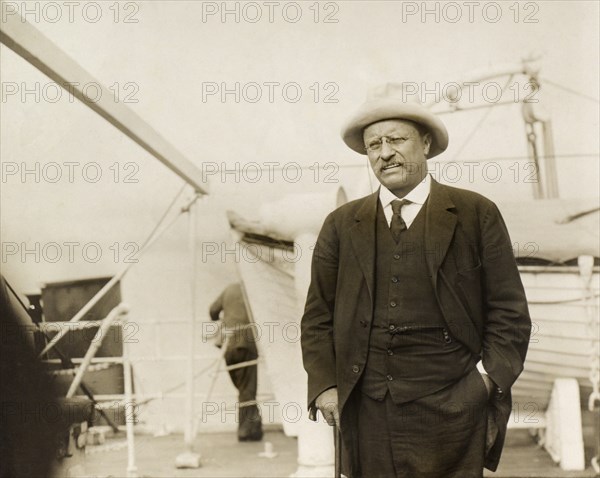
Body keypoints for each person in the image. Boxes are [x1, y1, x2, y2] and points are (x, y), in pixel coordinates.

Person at [300, 83, 531, 478]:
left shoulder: (476, 214)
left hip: (454, 406)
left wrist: (485, 382)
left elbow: (509, 312)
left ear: (424, 144)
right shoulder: (341, 225)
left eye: (396, 139)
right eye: (374, 145)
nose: (384, 152)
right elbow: (317, 316)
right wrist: (324, 387)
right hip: (367, 410)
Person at [209, 282, 263, 442]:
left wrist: (225, 320)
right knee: (247, 389)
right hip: (246, 344)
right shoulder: (254, 289)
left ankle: (253, 425)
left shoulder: (230, 288)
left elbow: (213, 310)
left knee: (243, 388)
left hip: (229, 346)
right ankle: (247, 430)